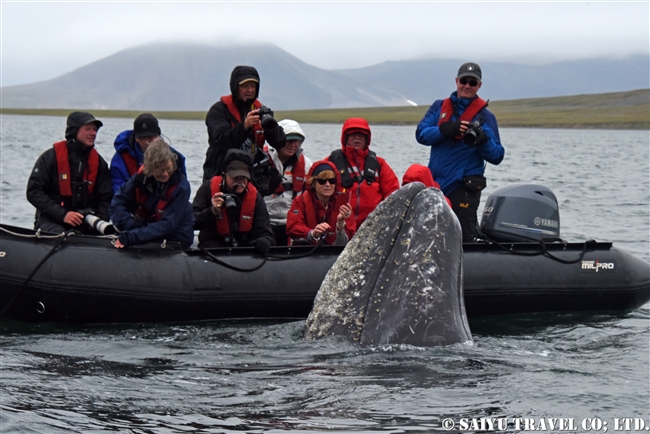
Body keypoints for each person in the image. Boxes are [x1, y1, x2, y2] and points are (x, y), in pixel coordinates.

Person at [415, 62, 505, 242]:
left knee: (462, 238)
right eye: (464, 80)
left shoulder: (486, 117)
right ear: (456, 81)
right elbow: (421, 134)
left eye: (473, 82)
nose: (467, 86)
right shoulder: (439, 107)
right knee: (429, 237)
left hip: (464, 188)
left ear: (479, 85)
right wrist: (444, 130)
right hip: (436, 186)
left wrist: (483, 141)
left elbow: (497, 155)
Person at [202, 65, 285, 196]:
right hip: (220, 176)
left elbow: (280, 143)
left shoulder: (260, 111)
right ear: (235, 87)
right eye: (244, 86)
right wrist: (244, 127)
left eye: (253, 86)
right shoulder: (218, 111)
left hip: (249, 179)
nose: (250, 90)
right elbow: (220, 141)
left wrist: (271, 128)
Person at [26, 111, 113, 235]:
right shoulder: (50, 157)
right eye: (88, 129)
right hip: (52, 219)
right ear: (74, 130)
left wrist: (100, 221)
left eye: (95, 130)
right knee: (58, 235)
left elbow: (105, 198)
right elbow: (33, 192)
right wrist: (63, 215)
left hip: (85, 222)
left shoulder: (100, 163)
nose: (93, 133)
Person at [109, 138, 194, 249]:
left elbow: (168, 224)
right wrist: (130, 225)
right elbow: (117, 203)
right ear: (149, 168)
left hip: (175, 237)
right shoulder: (140, 178)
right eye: (158, 170)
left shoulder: (182, 187)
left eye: (168, 168)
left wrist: (134, 236)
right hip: (143, 229)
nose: (165, 174)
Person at [193, 149, 275, 254]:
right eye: (235, 177)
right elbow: (191, 222)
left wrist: (264, 241)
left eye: (243, 178)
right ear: (224, 175)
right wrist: (212, 211)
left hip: (244, 249)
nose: (240, 181)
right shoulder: (208, 189)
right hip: (213, 248)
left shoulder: (255, 197)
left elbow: (266, 232)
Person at [327, 118, 399, 228]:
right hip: (339, 224)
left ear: (367, 139)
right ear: (345, 138)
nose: (357, 138)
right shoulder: (332, 162)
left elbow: (393, 196)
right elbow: (314, 186)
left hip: (372, 227)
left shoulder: (379, 164)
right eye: (353, 134)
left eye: (361, 135)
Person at [263, 119, 313, 245]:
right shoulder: (260, 159)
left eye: (297, 141)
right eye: (288, 140)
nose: (293, 145)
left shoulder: (306, 165)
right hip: (264, 222)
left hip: (292, 222)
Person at [109, 113, 186, 193]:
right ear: (137, 138)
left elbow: (182, 190)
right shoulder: (121, 159)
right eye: (147, 137)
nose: (152, 141)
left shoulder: (176, 157)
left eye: (155, 136)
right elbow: (118, 192)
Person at [287, 161, 356, 246]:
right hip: (305, 251)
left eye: (332, 181)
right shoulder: (300, 201)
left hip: (333, 253)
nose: (327, 184)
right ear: (313, 183)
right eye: (322, 181)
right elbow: (292, 228)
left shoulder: (343, 206)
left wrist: (340, 225)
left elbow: (347, 243)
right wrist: (312, 234)